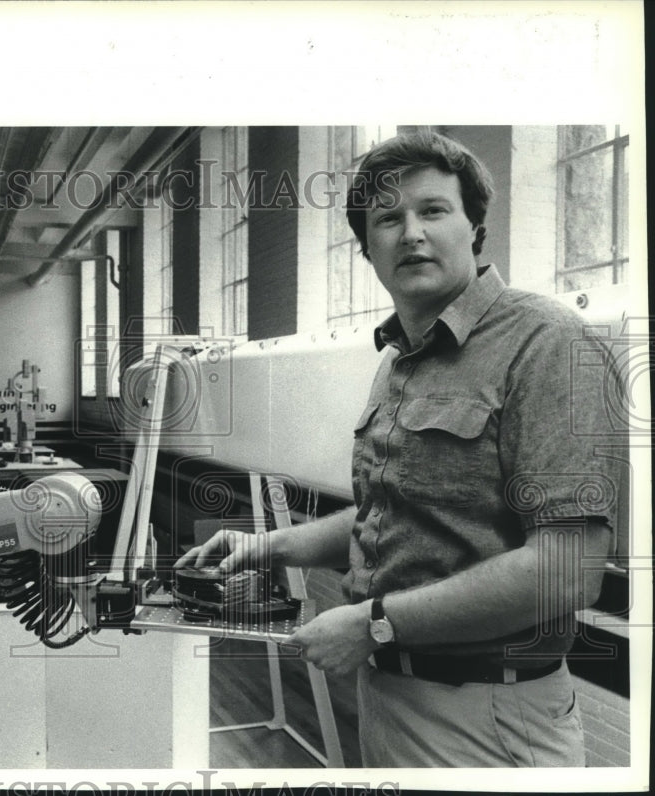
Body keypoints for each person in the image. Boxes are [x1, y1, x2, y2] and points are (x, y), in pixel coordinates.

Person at [176, 131, 620, 767]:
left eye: (433, 210)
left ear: (475, 228)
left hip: (489, 716)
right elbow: (389, 517)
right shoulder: (397, 360)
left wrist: (370, 622)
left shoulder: (546, 343)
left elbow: (568, 569)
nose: (410, 232)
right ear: (367, 249)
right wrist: (265, 546)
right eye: (388, 218)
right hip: (388, 695)